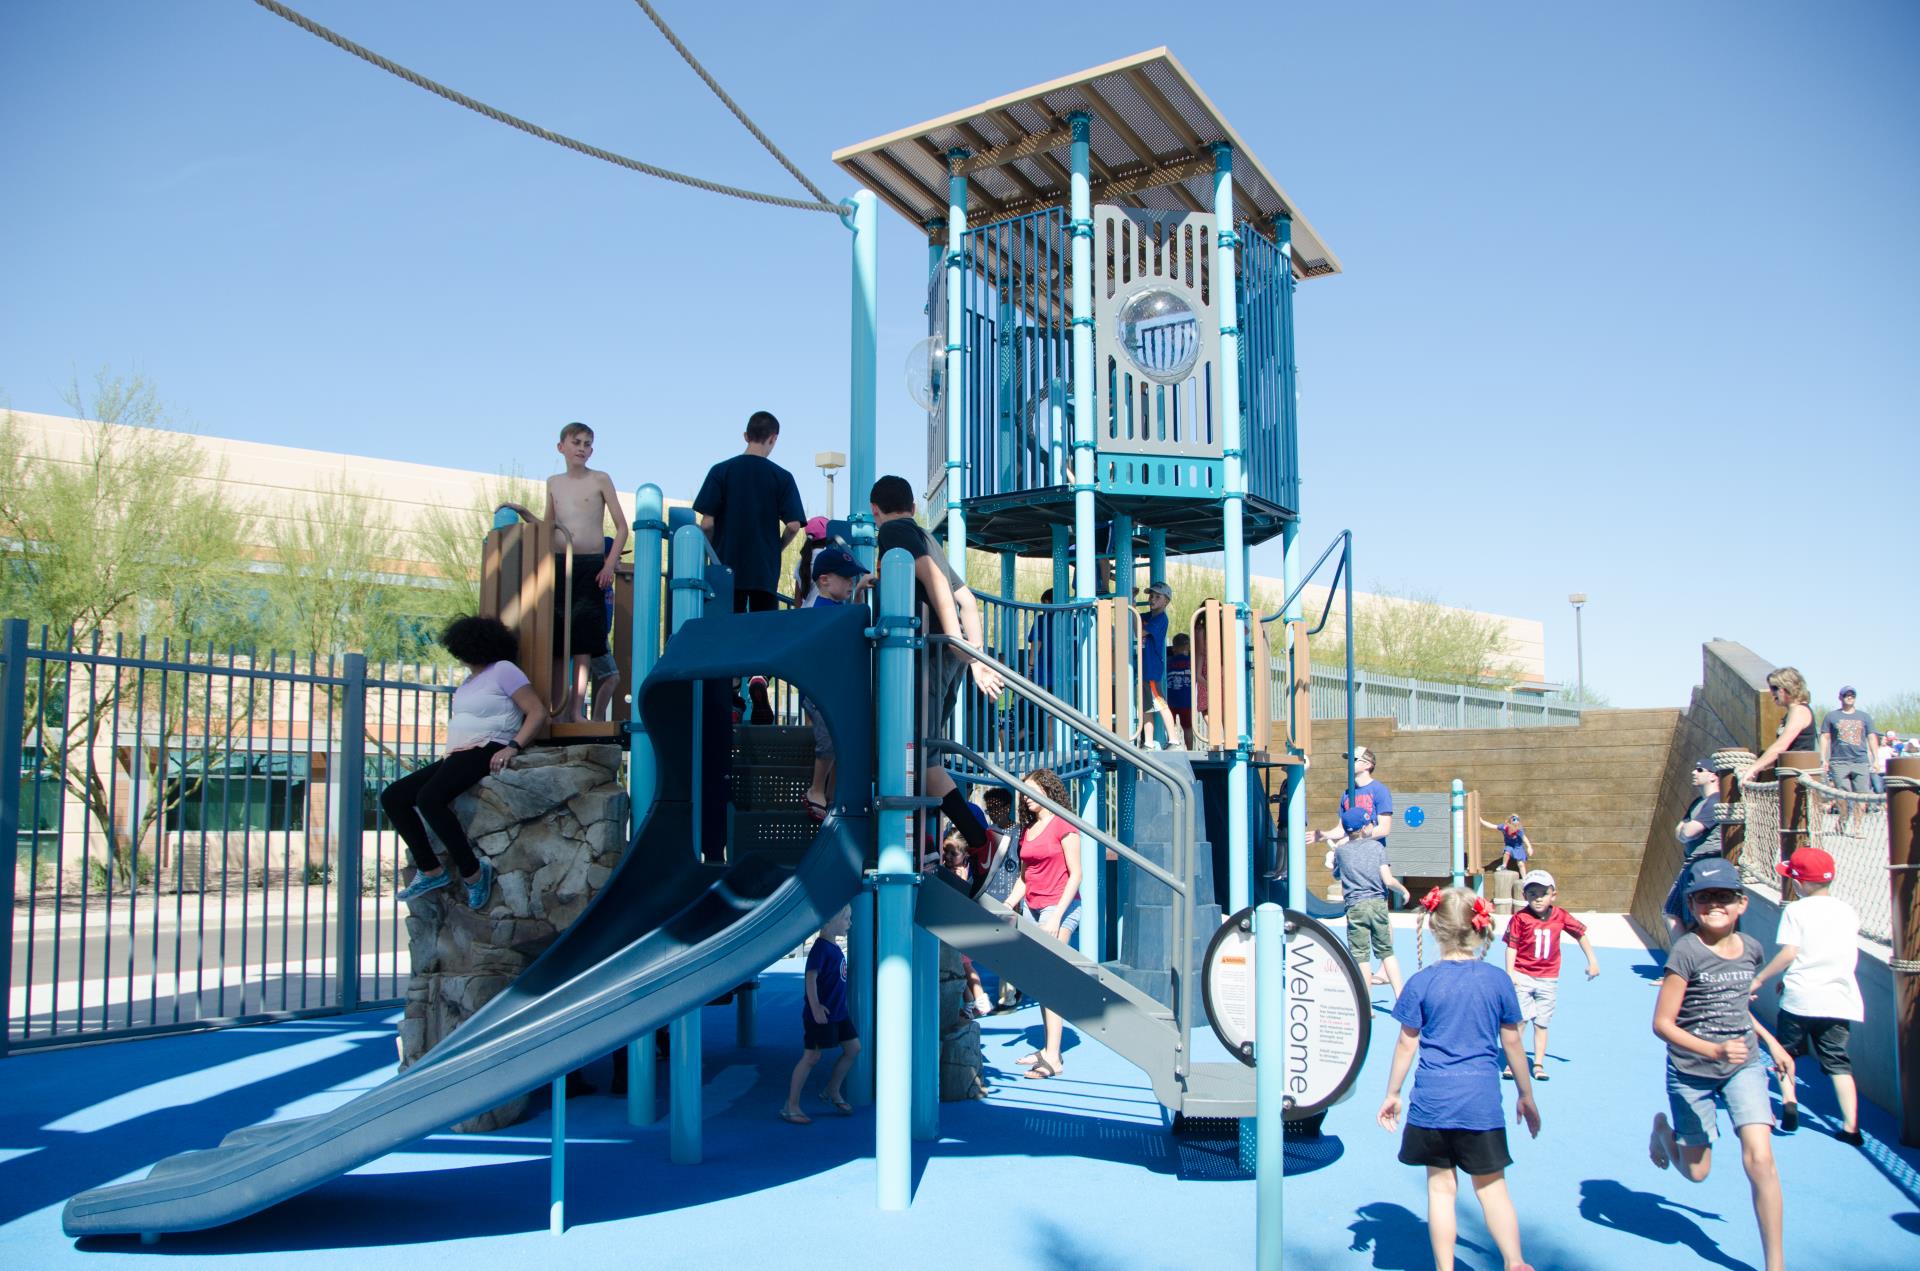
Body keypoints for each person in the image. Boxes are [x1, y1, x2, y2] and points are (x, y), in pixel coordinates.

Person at [1378, 887, 1541, 1271]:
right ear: (1479, 930)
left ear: (1434, 928)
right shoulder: (1497, 981)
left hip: (1433, 1102)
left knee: (1440, 1188)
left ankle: (1445, 1267)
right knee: (1491, 1187)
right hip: (1480, 1102)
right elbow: (1513, 1042)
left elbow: (1406, 1043)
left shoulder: (1422, 982)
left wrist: (1392, 1092)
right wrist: (1525, 1093)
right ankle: (1515, 1261)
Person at [1648, 856, 1793, 1271]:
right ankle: (1663, 1130)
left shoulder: (1752, 950)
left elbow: (1736, 1009)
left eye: (1723, 897)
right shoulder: (1686, 953)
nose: (1714, 905)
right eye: (1703, 898)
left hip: (1742, 1065)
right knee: (1696, 1173)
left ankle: (1775, 1264)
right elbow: (1661, 1023)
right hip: (1691, 1071)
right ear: (1691, 906)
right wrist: (1710, 1050)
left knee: (1761, 1158)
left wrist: (1773, 1044)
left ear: (1741, 903)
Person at [869, 475, 1003, 864]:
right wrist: (969, 654)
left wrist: (968, 654)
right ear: (913, 507)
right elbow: (968, 600)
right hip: (946, 659)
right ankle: (927, 845)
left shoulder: (892, 531)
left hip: (924, 655)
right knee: (923, 752)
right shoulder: (924, 535)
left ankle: (979, 841)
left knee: (911, 754)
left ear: (875, 510)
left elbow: (931, 580)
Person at [386, 617, 547, 909]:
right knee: (394, 796)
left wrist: (513, 746)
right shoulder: (470, 680)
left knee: (430, 798)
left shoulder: (504, 670)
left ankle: (473, 873)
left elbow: (536, 711)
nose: (456, 655)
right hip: (460, 752)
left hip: (490, 746)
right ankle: (431, 870)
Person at [1749, 846, 1866, 1146]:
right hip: (1838, 999)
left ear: (1799, 883)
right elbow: (1830, 952)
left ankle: (1789, 1105)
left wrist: (1761, 978)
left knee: (1786, 1053)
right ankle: (1851, 1127)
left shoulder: (1795, 911)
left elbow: (1791, 953)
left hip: (1801, 998)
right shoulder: (1847, 911)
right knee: (1838, 1063)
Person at [545, 423, 629, 723]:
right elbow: (548, 525)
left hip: (591, 564)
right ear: (562, 447)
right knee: (557, 639)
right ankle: (556, 709)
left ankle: (576, 710)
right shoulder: (553, 482)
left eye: (587, 443)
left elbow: (621, 526)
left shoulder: (600, 479)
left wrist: (609, 564)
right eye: (576, 442)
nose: (582, 447)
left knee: (583, 641)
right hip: (560, 562)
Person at [1005, 768, 1081, 1081]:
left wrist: (1057, 917)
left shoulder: (1063, 824)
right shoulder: (1029, 828)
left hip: (1059, 907)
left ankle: (1054, 1056)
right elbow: (1026, 876)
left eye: (1031, 789)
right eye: (1023, 791)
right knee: (1039, 981)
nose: (1025, 796)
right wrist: (1009, 903)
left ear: (1047, 790)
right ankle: (1048, 1048)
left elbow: (1075, 874)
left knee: (1051, 979)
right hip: (1034, 909)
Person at [694, 410, 807, 615]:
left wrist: (713, 553)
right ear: (773, 439)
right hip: (763, 571)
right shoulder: (782, 477)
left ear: (746, 436)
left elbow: (706, 524)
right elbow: (793, 525)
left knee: (726, 631)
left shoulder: (720, 471)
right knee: (761, 635)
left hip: (725, 568)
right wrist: (776, 548)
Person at [1499, 869, 1599, 1083]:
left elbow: (1580, 934)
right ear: (1525, 896)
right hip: (1523, 975)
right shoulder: (1520, 918)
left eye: (1543, 893)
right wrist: (1510, 972)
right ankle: (1513, 1062)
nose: (1538, 898)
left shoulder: (1560, 915)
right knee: (1521, 1020)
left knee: (1542, 1022)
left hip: (1548, 978)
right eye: (1532, 893)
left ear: (1553, 895)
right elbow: (1511, 946)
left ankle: (1538, 1063)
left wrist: (1592, 960)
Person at [799, 547, 867, 821]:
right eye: (846, 578)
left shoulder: (835, 608)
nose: (850, 582)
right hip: (820, 692)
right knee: (828, 741)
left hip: (831, 692)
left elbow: (852, 619)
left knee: (839, 743)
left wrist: (860, 590)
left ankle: (831, 795)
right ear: (824, 580)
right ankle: (816, 789)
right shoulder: (821, 610)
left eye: (853, 578)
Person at [1319, 807, 1413, 995]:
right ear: (1363, 828)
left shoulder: (1342, 852)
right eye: (1370, 823)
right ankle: (1400, 996)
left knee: (1361, 956)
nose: (1372, 825)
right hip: (1378, 904)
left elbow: (1337, 875)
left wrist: (1333, 860)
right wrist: (1403, 890)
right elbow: (1388, 880)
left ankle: (1366, 1005)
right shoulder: (1377, 848)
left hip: (1355, 907)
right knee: (1387, 952)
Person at [780, 906, 859, 1124]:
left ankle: (832, 1090)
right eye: (846, 919)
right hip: (822, 1014)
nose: (849, 923)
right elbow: (810, 977)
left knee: (853, 1049)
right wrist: (815, 1006)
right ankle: (791, 1105)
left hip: (838, 1013)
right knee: (811, 1057)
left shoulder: (833, 947)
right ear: (829, 923)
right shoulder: (820, 948)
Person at [1662, 759, 1726, 940]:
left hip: (1703, 864)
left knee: (1674, 912)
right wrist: (1685, 831)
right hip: (1692, 863)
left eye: (1699, 770)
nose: (1694, 773)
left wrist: (1685, 830)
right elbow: (1679, 833)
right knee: (1679, 914)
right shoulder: (1698, 802)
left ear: (1713, 776)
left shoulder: (1715, 801)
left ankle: (1685, 959)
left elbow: (1688, 831)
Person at [1742, 666, 1817, 784]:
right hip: (1788, 776)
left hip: (1798, 780)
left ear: (1786, 688)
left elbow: (1781, 746)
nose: (1772, 693)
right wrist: (1754, 767)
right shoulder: (1791, 712)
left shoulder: (1799, 711)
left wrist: (1753, 769)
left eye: (1774, 688)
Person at [1820, 685, 1879, 833]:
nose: (1849, 697)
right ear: (1840, 697)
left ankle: (1857, 826)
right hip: (1839, 761)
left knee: (1861, 795)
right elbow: (1825, 737)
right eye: (1846, 695)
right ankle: (1843, 818)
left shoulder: (1864, 717)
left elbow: (1871, 737)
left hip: (1860, 760)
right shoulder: (1831, 716)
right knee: (1842, 794)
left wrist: (1876, 759)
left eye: (1852, 695)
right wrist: (1823, 758)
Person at [1137, 581, 1184, 749]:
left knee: (1159, 702)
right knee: (1147, 706)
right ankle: (1148, 741)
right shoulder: (1147, 617)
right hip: (1143, 667)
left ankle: (1174, 739)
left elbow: (1139, 631)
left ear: (1166, 601)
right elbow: (1132, 618)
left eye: (1158, 597)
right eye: (1151, 596)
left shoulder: (1160, 619)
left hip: (1151, 667)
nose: (1152, 599)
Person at [1165, 631, 1193, 747]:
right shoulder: (1191, 662)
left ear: (1174, 648)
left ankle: (1172, 745)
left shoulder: (1168, 661)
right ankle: (1190, 749)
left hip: (1170, 699)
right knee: (1187, 727)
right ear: (1188, 647)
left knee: (1170, 725)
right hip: (1186, 700)